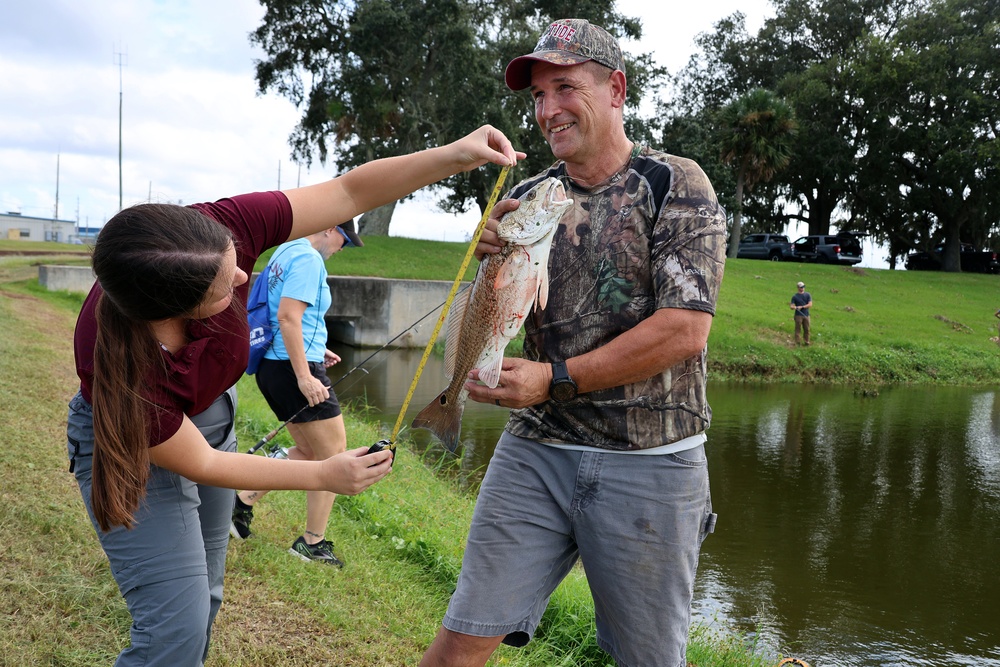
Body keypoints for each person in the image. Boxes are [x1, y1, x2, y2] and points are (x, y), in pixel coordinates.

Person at [66, 125, 522, 666]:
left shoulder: (209, 231)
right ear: (175, 313)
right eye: (222, 286)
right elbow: (206, 463)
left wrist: (452, 155)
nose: (241, 273)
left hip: (208, 415)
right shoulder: (123, 374)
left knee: (205, 596)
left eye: (234, 257)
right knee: (175, 630)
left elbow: (350, 193)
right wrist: (325, 474)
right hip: (131, 444)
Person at [419, 19, 726, 667]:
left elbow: (685, 329)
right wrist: (485, 268)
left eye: (564, 87)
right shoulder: (530, 196)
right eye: (536, 95)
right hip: (536, 451)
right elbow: (496, 315)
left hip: (653, 460)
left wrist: (551, 378)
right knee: (459, 642)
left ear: (616, 88)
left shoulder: (676, 183)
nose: (546, 109)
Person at [230, 219, 362, 567]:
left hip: (275, 368)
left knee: (309, 451)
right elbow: (288, 318)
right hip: (291, 368)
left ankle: (241, 501)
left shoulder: (283, 252)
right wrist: (305, 375)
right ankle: (311, 543)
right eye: (344, 242)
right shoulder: (308, 259)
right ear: (332, 228)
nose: (340, 250)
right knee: (333, 456)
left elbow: (285, 315)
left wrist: (319, 349)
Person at [790, 281, 813, 345]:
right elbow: (791, 306)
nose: (802, 288)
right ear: (798, 288)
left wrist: (802, 307)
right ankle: (797, 342)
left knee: (807, 329)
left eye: (803, 287)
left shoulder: (808, 295)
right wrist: (794, 307)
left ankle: (806, 341)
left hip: (806, 315)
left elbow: (810, 304)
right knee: (798, 329)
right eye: (801, 287)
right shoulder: (795, 296)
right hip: (798, 315)